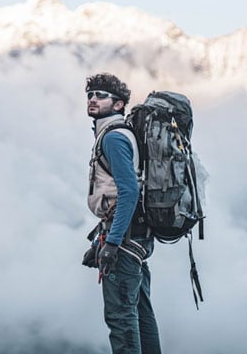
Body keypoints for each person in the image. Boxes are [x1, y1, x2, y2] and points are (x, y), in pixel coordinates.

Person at [82, 73, 162, 354]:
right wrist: (100, 241)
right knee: (141, 313)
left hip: (125, 240)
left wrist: (112, 244)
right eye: (90, 94)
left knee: (121, 318)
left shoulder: (113, 138)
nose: (93, 99)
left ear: (118, 105)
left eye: (101, 95)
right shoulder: (119, 133)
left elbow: (128, 192)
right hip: (137, 236)